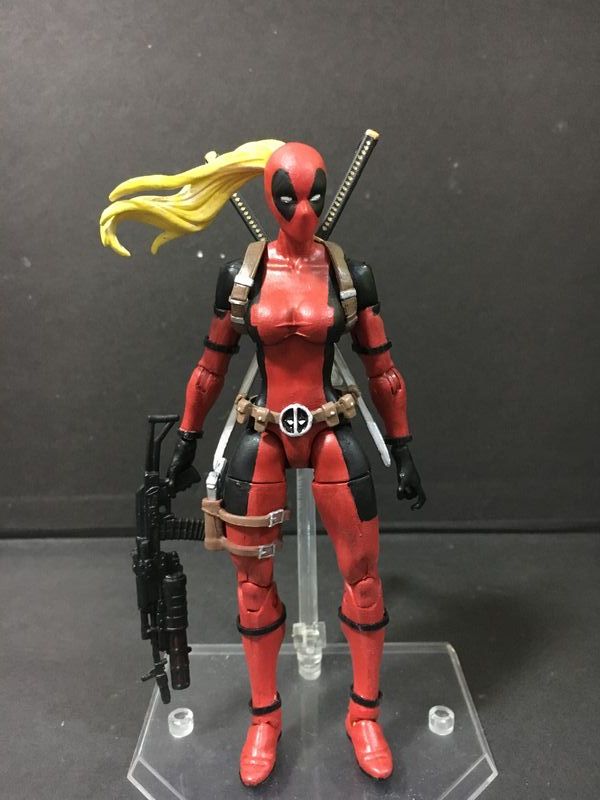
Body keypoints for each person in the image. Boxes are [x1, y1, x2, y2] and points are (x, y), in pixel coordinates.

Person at [100, 139, 426, 786]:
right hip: (264, 433)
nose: (303, 212)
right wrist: (188, 440)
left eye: (314, 197)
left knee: (364, 579)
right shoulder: (242, 276)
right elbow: (211, 367)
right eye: (289, 198)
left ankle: (364, 714)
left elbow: (382, 369)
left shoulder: (349, 275)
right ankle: (265, 717)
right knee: (252, 590)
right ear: (268, 198)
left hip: (329, 429)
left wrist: (403, 448)